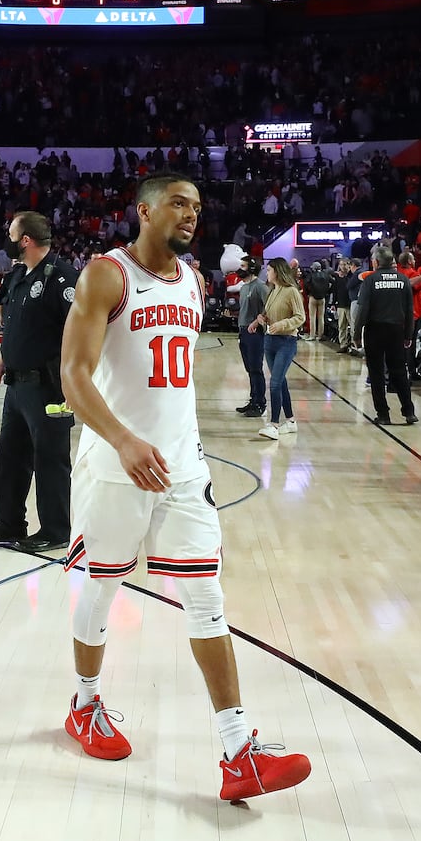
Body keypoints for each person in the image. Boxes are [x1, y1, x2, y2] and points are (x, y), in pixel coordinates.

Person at [59, 172, 311, 800]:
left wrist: (174, 443)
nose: (191, 215)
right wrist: (121, 438)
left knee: (206, 595)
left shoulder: (196, 281)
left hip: (182, 466)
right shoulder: (106, 276)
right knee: (102, 585)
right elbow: (74, 375)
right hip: (114, 465)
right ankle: (84, 702)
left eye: (197, 206)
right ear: (143, 211)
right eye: (178, 203)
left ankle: (238, 750)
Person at [0, 211, 77, 553]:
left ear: (25, 240)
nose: (8, 238)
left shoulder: (62, 278)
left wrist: (73, 379)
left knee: (50, 457)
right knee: (10, 454)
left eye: (12, 234)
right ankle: (9, 520)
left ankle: (56, 529)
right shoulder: (19, 274)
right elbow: (21, 326)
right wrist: (5, 359)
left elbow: (78, 332)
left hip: (49, 386)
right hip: (17, 385)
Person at [354, 244, 419, 426]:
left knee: (376, 373)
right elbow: (409, 310)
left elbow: (362, 311)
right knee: (399, 372)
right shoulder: (403, 280)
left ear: (375, 262)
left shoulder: (370, 280)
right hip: (396, 330)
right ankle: (409, 411)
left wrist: (357, 334)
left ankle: (383, 414)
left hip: (375, 330)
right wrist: (408, 335)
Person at [254, 258, 305, 439]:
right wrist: (261, 320)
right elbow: (269, 314)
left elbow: (300, 317)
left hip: (286, 341)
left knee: (275, 383)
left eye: (269, 270)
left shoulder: (292, 292)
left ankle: (274, 425)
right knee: (280, 382)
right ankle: (290, 421)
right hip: (270, 341)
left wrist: (283, 324)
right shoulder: (272, 291)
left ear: (278, 271)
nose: (266, 273)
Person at [234, 255, 266, 417]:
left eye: (243, 266)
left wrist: (257, 321)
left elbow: (269, 307)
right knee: (249, 369)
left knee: (256, 368)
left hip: (255, 333)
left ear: (252, 268)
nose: (240, 268)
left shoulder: (260, 287)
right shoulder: (244, 287)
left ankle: (260, 403)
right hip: (243, 331)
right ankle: (253, 400)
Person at [301, 261, 331, 341]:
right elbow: (331, 283)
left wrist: (308, 293)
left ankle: (312, 335)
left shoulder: (311, 275)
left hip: (313, 297)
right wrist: (326, 292)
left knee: (312, 317)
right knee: (321, 317)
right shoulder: (325, 275)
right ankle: (320, 335)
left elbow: (306, 284)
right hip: (322, 298)